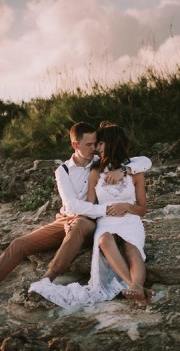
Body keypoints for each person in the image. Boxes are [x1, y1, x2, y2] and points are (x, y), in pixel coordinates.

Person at [0, 122, 151, 305]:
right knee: (20, 244)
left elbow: (144, 161)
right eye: (88, 145)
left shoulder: (102, 162)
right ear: (75, 145)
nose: (94, 148)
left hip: (91, 222)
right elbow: (70, 205)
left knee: (79, 225)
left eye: (95, 143)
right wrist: (103, 209)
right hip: (68, 218)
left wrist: (124, 171)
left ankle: (48, 277)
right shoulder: (63, 170)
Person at [29, 122, 154, 308]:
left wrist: (126, 206)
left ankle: (136, 285)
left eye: (100, 143)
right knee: (104, 239)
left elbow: (142, 209)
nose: (96, 147)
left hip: (130, 219)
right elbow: (89, 205)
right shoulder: (95, 173)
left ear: (111, 144)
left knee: (132, 248)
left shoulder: (134, 172)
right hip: (105, 221)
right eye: (95, 144)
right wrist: (75, 216)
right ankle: (133, 286)